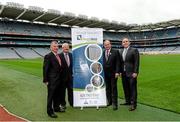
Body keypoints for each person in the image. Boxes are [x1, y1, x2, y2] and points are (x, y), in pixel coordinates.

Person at [43, 41, 63, 118]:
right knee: (50, 96)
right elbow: (45, 69)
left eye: (57, 46)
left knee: (57, 95)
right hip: (52, 80)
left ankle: (56, 108)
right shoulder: (48, 56)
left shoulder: (58, 56)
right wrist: (45, 80)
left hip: (58, 80)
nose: (56, 47)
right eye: (54, 46)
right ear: (51, 47)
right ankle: (50, 111)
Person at [119, 38, 140, 111]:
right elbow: (121, 63)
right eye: (123, 42)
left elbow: (137, 62)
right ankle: (127, 101)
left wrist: (136, 72)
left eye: (126, 41)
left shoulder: (134, 50)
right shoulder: (120, 51)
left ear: (129, 42)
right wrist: (120, 72)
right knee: (126, 88)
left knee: (133, 89)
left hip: (131, 73)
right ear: (122, 44)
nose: (125, 43)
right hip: (123, 73)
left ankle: (133, 104)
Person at [103, 40, 120, 110]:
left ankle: (115, 104)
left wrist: (117, 72)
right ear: (104, 45)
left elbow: (118, 63)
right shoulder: (103, 52)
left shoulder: (115, 51)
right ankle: (109, 101)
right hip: (105, 74)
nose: (107, 46)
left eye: (108, 44)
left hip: (113, 74)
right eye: (105, 45)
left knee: (113, 88)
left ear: (110, 44)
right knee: (108, 88)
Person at [59, 43, 73, 108]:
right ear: (62, 48)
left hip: (70, 77)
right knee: (62, 92)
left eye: (68, 47)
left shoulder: (71, 55)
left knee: (71, 90)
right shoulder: (59, 56)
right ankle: (63, 104)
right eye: (65, 47)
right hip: (62, 78)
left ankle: (71, 102)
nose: (67, 48)